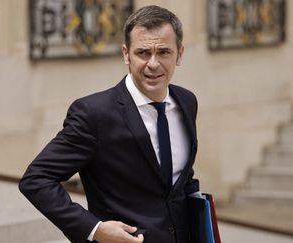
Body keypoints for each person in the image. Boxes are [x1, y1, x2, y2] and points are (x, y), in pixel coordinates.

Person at [19, 5, 200, 243]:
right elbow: (36, 179)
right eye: (143, 52)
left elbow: (179, 178)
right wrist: (94, 229)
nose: (153, 64)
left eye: (164, 52)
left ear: (180, 54)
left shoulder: (186, 102)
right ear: (126, 54)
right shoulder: (94, 114)